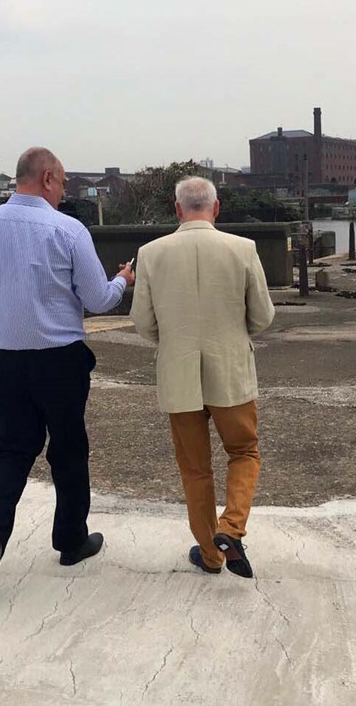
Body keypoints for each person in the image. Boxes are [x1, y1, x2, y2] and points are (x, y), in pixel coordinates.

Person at [0, 147, 134, 593]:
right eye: (64, 182)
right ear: (48, 177)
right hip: (58, 358)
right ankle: (70, 540)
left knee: (12, 449)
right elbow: (97, 299)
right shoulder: (67, 229)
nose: (65, 190)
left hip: (3, 359)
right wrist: (124, 280)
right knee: (68, 448)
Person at [131, 176, 275, 578]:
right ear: (216, 207)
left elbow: (143, 323)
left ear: (177, 209)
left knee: (195, 470)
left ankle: (211, 556)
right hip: (230, 372)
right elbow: (262, 317)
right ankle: (231, 528)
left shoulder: (151, 253)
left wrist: (174, 340)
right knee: (244, 452)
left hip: (179, 375)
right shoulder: (243, 249)